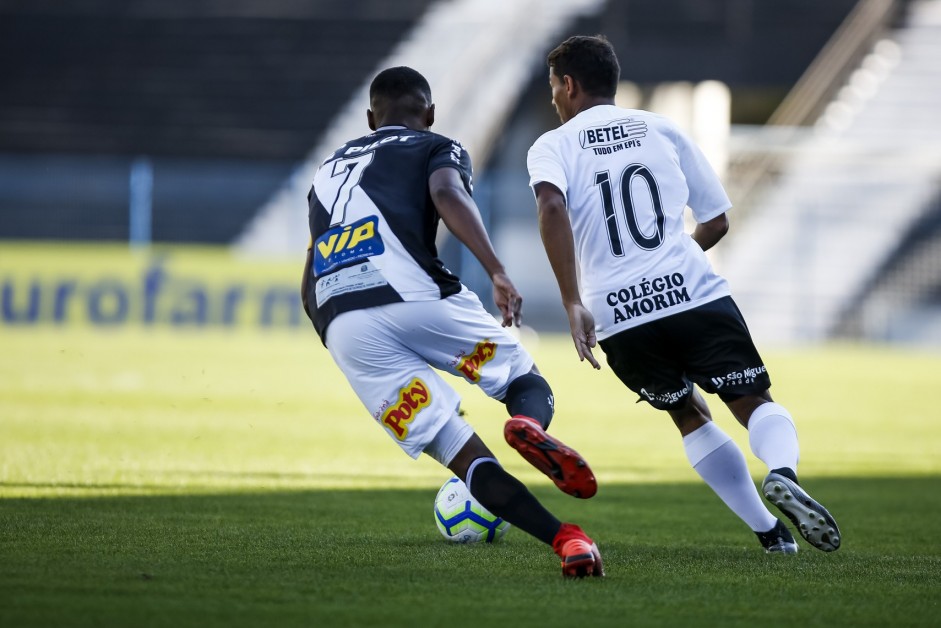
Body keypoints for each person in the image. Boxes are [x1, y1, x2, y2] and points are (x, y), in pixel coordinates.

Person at [527, 35, 841, 554]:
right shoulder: (662, 129)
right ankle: (783, 472)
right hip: (691, 292)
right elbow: (716, 220)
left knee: (688, 414)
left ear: (569, 84)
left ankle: (770, 533)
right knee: (752, 401)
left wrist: (570, 300)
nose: (555, 100)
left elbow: (552, 209)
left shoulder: (552, 145)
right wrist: (673, 262)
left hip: (619, 313)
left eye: (554, 89)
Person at [301, 66, 602, 577]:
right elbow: (447, 194)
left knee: (462, 455)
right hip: (417, 297)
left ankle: (567, 540)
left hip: (343, 323)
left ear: (371, 117)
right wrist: (497, 270)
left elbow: (310, 269)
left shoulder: (326, 171)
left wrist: (335, 334)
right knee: (522, 379)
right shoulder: (435, 145)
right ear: (430, 113)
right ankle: (527, 423)